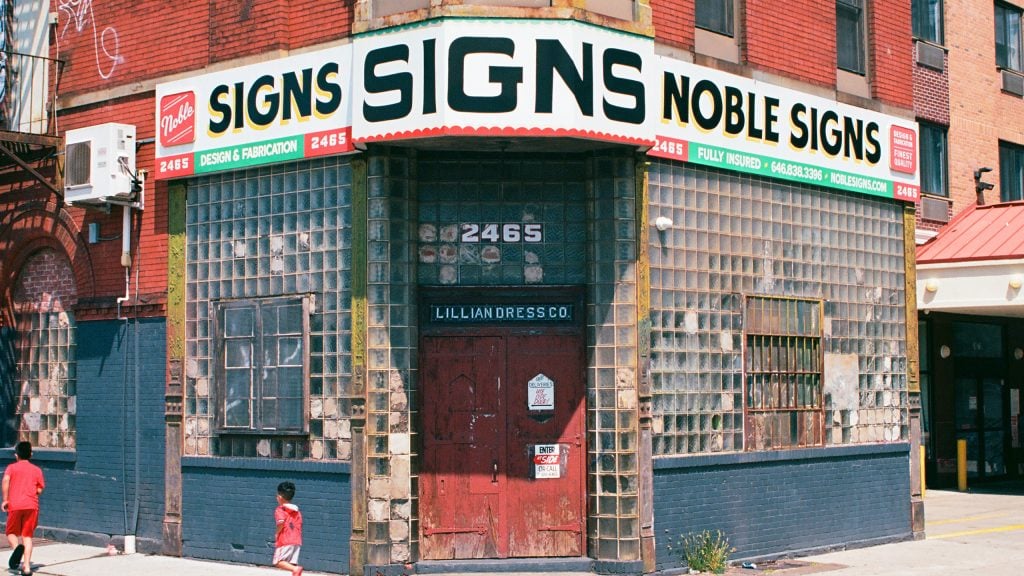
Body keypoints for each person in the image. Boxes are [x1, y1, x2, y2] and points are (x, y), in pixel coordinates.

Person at [3, 441, 44, 576]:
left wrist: (5, 500)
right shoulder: (37, 470)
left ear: (16, 455)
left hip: (15, 505)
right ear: (31, 454)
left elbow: (5, 481)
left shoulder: (11, 468)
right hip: (31, 506)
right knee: (27, 536)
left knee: (10, 533)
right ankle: (26, 567)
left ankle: (16, 550)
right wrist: (33, 493)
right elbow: (39, 488)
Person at [272, 481, 303, 576]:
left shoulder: (280, 509)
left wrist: (277, 533)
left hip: (285, 540)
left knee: (278, 562)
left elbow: (280, 523)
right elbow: (299, 524)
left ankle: (296, 569)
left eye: (277, 495)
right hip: (296, 540)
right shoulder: (297, 511)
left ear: (280, 497)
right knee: (291, 563)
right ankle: (295, 569)